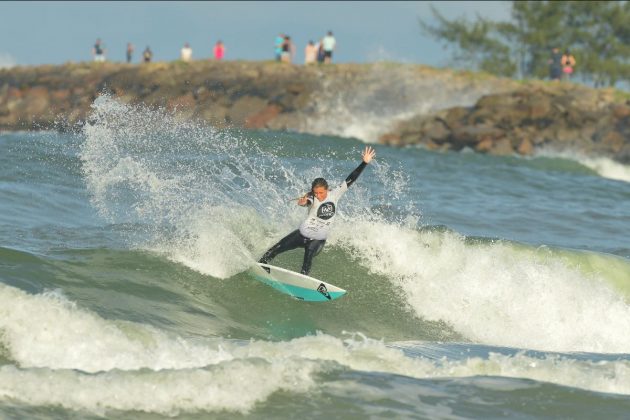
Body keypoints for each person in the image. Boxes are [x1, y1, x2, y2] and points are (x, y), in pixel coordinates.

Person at [258, 146, 376, 275]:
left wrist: (364, 162)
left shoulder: (336, 193)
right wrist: (303, 202)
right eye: (316, 193)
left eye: (321, 193)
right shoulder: (311, 197)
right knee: (276, 248)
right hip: (301, 235)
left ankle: (303, 280)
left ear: (327, 189)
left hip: (317, 240)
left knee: (308, 257)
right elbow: (306, 201)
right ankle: (260, 266)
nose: (318, 196)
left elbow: (351, 178)